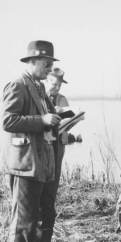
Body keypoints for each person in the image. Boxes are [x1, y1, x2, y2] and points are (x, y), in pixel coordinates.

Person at [1, 40, 64, 242]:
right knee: (24, 221)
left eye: (51, 64)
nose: (50, 69)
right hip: (25, 165)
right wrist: (42, 119)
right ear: (32, 62)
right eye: (46, 64)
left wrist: (59, 118)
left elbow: (47, 120)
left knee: (45, 217)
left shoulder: (38, 87)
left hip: (43, 164)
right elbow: (8, 120)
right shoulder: (17, 85)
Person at [44, 67, 75, 199]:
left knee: (56, 174)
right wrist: (52, 113)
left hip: (60, 142)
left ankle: (50, 204)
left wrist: (74, 120)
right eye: (54, 84)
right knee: (44, 174)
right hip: (45, 142)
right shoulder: (40, 97)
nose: (57, 88)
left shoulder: (63, 99)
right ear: (47, 80)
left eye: (59, 85)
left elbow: (69, 124)